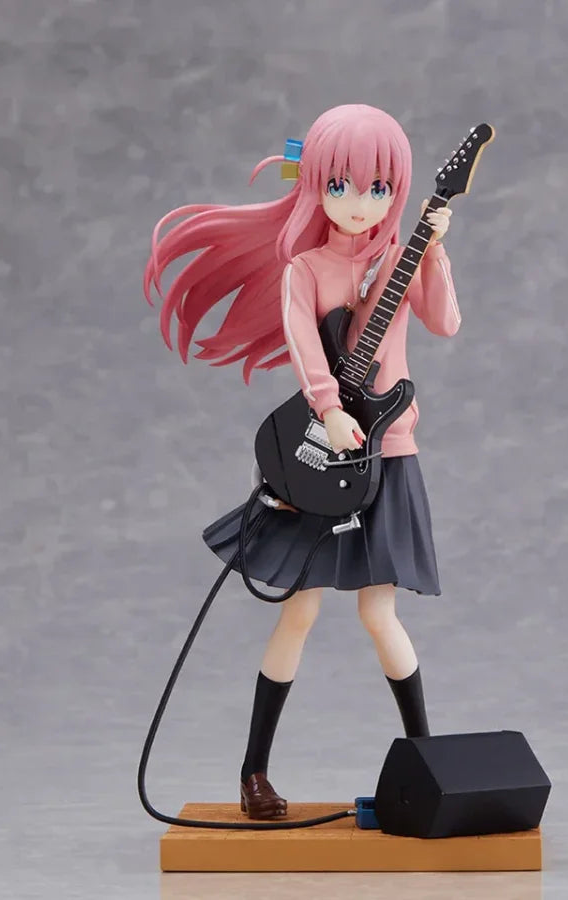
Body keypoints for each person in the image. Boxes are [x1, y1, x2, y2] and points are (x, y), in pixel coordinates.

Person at [144, 104, 461, 819]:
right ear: (315, 183)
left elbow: (445, 322)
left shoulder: (399, 258)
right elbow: (305, 348)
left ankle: (429, 761)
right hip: (320, 453)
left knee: (381, 613)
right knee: (298, 610)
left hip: (388, 453)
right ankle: (253, 771)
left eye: (379, 188)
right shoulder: (305, 270)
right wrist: (329, 409)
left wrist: (435, 251)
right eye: (341, 185)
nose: (359, 203)